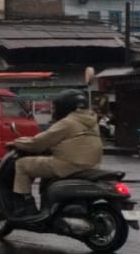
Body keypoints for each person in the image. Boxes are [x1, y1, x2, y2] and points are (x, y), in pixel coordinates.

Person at [6, 89, 102, 220]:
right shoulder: (92, 122)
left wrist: (17, 143)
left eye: (56, 107)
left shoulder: (68, 122)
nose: (55, 110)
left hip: (68, 165)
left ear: (65, 106)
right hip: (91, 166)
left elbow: (39, 143)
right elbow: (75, 141)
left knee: (22, 165)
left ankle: (25, 205)